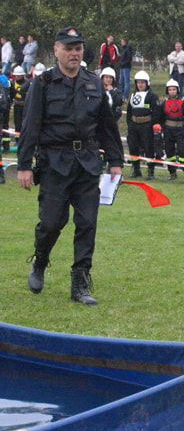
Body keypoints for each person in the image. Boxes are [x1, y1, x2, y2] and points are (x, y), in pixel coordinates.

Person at [17, 26, 123, 305]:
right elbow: (30, 126)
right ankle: (40, 261)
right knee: (52, 223)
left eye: (77, 49)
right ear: (56, 51)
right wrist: (24, 165)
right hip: (54, 162)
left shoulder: (93, 82)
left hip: (87, 163)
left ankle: (80, 284)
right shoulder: (44, 83)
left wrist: (115, 160)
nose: (74, 53)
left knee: (87, 223)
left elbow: (107, 126)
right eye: (68, 48)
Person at [127, 70, 160, 180]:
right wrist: (130, 125)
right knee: (133, 148)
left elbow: (156, 113)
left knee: (148, 148)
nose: (140, 85)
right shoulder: (132, 95)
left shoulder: (152, 96)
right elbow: (129, 111)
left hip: (146, 126)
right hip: (134, 126)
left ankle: (151, 171)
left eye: (143, 82)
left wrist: (151, 125)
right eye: (138, 82)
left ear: (147, 83)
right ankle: (136, 170)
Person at [160, 78, 184, 181]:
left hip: (180, 129)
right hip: (168, 130)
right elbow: (161, 116)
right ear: (167, 91)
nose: (172, 91)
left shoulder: (182, 102)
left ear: (177, 90)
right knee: (169, 152)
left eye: (174, 89)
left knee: (182, 151)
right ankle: (172, 172)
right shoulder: (164, 103)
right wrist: (163, 129)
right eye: (170, 89)